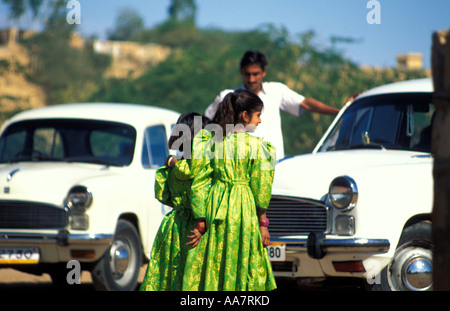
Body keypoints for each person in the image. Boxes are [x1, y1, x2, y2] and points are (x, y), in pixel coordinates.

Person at [182, 89, 277, 291]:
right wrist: (263, 222)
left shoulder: (211, 143)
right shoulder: (260, 148)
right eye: (258, 115)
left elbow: (198, 183)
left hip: (215, 209)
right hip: (244, 212)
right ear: (244, 116)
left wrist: (201, 221)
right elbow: (262, 188)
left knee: (216, 264)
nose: (259, 121)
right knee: (243, 263)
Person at [205, 50, 340, 159]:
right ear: (241, 72)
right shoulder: (228, 96)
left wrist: (340, 112)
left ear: (264, 72)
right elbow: (208, 123)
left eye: (255, 74)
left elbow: (306, 103)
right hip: (238, 167)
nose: (251, 79)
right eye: (247, 74)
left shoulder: (276, 90)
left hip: (273, 165)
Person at [140, 112, 211, 291]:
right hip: (198, 226)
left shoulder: (173, 165)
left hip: (174, 225)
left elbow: (163, 196)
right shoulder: (205, 168)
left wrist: (171, 165)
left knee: (170, 275)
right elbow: (201, 195)